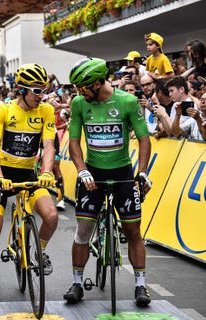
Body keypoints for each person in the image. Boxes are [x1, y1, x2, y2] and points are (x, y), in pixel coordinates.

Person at [63, 58, 153, 307]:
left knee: (133, 232)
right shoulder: (80, 103)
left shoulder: (127, 101)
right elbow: (73, 141)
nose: (79, 93)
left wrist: (142, 172)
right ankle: (77, 283)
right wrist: (81, 171)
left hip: (123, 173)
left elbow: (144, 139)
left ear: (96, 82)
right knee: (82, 231)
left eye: (83, 87)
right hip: (92, 174)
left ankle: (141, 285)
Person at [0, 64, 58, 310]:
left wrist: (47, 172)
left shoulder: (47, 110)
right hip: (1, 174)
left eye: (44, 90)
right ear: (22, 90)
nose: (41, 95)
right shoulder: (3, 110)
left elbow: (49, 146)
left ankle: (38, 253)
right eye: (36, 91)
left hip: (28, 173)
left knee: (51, 216)